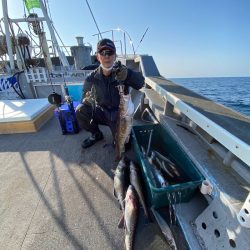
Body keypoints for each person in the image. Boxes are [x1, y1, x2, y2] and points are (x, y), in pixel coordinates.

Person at [76, 38, 145, 148]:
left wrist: (128, 74)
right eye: (103, 53)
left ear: (114, 55)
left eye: (110, 52)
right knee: (80, 110)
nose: (106, 56)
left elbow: (141, 83)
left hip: (119, 116)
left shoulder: (122, 72)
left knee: (123, 146)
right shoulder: (91, 78)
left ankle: (120, 136)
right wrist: (87, 100)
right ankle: (96, 134)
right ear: (98, 56)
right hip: (101, 113)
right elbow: (83, 98)